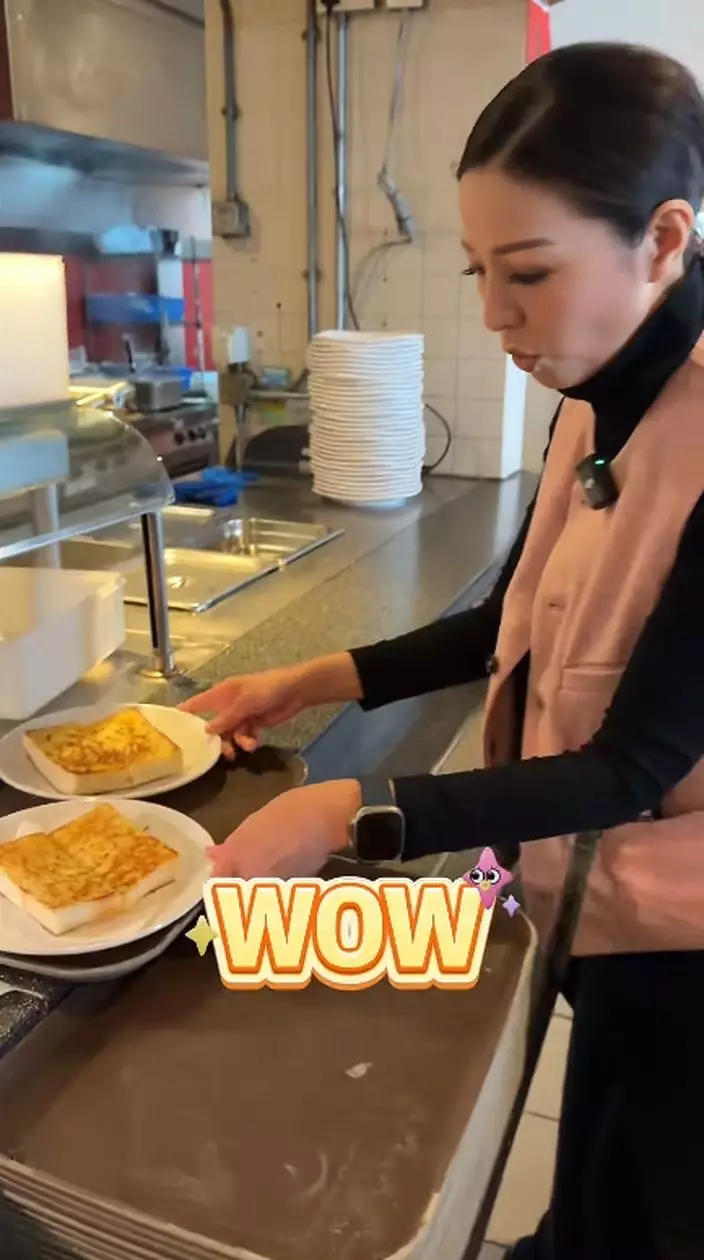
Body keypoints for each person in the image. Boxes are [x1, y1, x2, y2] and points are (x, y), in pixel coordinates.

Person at [183, 43, 704, 1260]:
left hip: (685, 942)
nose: (492, 315)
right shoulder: (595, 395)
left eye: (527, 273)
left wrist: (347, 811)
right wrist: (304, 679)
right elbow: (504, 624)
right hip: (595, 901)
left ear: (662, 238)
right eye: (479, 271)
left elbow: (632, 766)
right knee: (595, 1167)